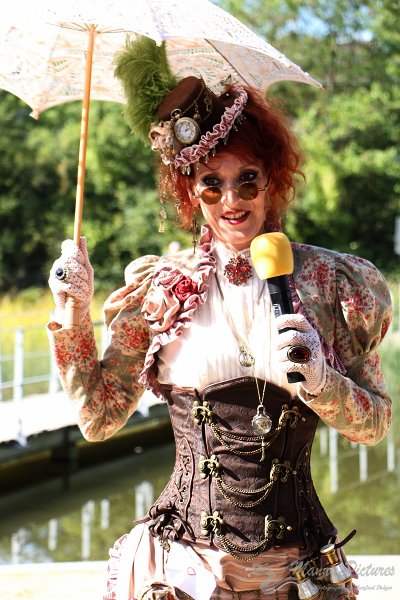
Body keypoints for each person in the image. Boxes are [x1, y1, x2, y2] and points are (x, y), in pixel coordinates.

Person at [47, 37, 392, 600]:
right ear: (191, 192)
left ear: (272, 179)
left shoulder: (330, 284)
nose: (232, 199)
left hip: (298, 573)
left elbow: (374, 426)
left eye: (247, 179)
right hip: (182, 571)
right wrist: (72, 311)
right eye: (212, 183)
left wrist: (322, 382)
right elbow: (99, 417)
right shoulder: (162, 290)